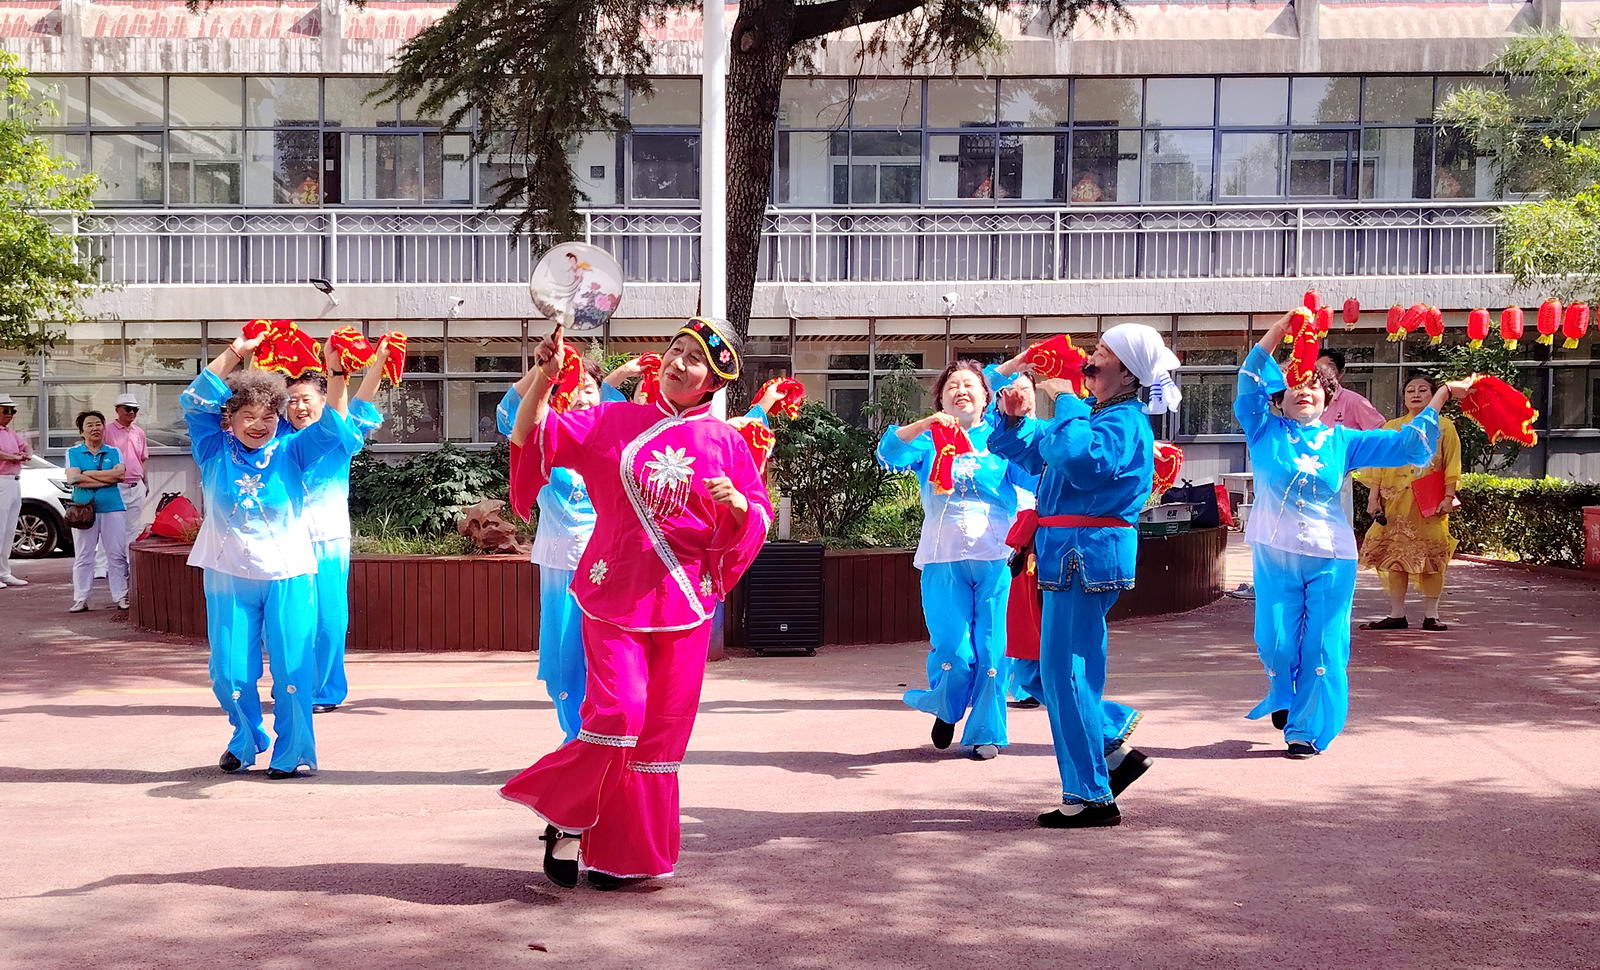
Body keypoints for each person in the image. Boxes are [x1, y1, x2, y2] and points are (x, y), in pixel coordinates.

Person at [501, 317, 771, 891]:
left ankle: (619, 857)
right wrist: (545, 378)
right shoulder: (614, 419)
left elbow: (756, 519)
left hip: (687, 602)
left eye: (694, 358)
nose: (678, 362)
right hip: (613, 593)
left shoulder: (727, 443)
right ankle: (566, 819)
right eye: (675, 349)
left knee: (660, 737)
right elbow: (534, 436)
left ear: (714, 381)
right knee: (619, 714)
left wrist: (739, 507)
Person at [1238, 316, 1470, 757]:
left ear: (1328, 396)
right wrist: (1283, 327)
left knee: (1323, 645)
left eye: (1314, 385)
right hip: (1274, 555)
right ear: (1279, 396)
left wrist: (1440, 396)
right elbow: (1249, 376)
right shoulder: (1263, 429)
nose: (1304, 391)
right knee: (1276, 642)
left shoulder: (1342, 440)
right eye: (1294, 385)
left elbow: (1406, 445)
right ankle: (1284, 693)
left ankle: (1305, 729)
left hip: (1331, 557)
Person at [987, 323, 1177, 829]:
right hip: (1060, 556)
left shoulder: (1124, 421)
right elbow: (1036, 453)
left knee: (1065, 672)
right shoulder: (1096, 415)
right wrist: (1017, 417)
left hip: (1082, 556)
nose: (1090, 359)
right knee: (1036, 669)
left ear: (1128, 373)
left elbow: (1081, 460)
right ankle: (1111, 751)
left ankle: (1091, 795)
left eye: (1102, 352)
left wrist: (1065, 396)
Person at [181, 331, 354, 779]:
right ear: (230, 419)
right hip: (228, 575)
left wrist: (336, 370)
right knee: (229, 675)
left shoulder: (293, 449)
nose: (258, 425)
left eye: (268, 416)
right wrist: (236, 352)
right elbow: (194, 400)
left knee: (293, 671)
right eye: (248, 415)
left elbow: (334, 427)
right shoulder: (212, 448)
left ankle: (292, 751)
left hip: (290, 575)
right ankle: (246, 737)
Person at [877, 360, 1038, 760]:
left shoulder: (1002, 440)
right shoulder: (928, 440)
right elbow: (889, 451)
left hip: (995, 558)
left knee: (992, 650)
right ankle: (947, 705)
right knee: (952, 647)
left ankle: (986, 732)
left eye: (970, 385)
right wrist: (927, 424)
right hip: (941, 557)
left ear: (986, 397)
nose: (961, 391)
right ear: (941, 399)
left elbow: (1036, 475)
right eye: (952, 386)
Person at [494, 358, 624, 743]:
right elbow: (508, 414)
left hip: (608, 566)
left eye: (589, 389)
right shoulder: (546, 437)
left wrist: (621, 376)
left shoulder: (617, 438)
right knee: (565, 656)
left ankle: (605, 737)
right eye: (573, 389)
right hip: (560, 565)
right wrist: (543, 371)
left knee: (608, 655)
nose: (581, 397)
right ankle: (575, 737)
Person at [284, 339, 392, 713]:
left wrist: (376, 362)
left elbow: (359, 399)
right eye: (291, 401)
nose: (298, 407)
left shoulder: (343, 433)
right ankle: (292, 681)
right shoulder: (279, 441)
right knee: (290, 619)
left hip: (327, 540)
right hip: (285, 543)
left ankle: (327, 689)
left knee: (328, 618)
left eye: (305, 399)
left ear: (324, 399)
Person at [1357, 372, 1465, 632]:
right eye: (1410, 390)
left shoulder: (1445, 427)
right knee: (1395, 558)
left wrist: (1448, 497)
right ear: (1404, 397)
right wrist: (1373, 498)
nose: (1416, 394)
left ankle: (1431, 615)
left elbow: (1452, 465)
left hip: (1428, 505)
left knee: (1432, 559)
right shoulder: (1392, 427)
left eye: (1423, 390)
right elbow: (1378, 466)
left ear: (1434, 395)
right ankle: (1397, 614)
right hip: (1394, 504)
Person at [64, 411, 129, 613]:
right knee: (84, 555)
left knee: (116, 554)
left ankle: (121, 596)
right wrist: (107, 479)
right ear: (82, 431)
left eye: (98, 424)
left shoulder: (114, 451)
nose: (95, 428)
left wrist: (89, 474)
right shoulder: (73, 452)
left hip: (113, 507)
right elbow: (74, 479)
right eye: (90, 425)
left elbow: (120, 475)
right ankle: (81, 598)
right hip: (83, 510)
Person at [103, 392, 150, 560]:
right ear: (117, 410)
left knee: (133, 527)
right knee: (112, 527)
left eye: (135, 410)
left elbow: (142, 458)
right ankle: (107, 564)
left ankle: (129, 562)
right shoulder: (107, 431)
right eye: (128, 409)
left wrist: (146, 482)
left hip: (136, 485)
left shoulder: (139, 432)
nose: (131, 412)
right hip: (115, 486)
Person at [0, 393, 33, 588]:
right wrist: (14, 457)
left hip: (13, 481)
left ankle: (4, 572)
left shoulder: (10, 433)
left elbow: (26, 447)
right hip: (1, 480)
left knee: (9, 529)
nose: (10, 414)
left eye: (12, 411)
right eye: (6, 410)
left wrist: (25, 454)